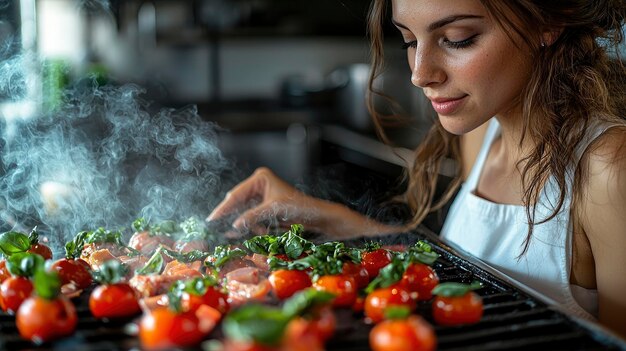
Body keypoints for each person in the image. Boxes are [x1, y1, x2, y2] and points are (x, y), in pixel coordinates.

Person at [208, 0, 626, 339]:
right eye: (409, 40)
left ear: (545, 24)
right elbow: (461, 274)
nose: (420, 73)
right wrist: (324, 216)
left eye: (458, 39)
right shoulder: (481, 135)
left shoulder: (609, 169)